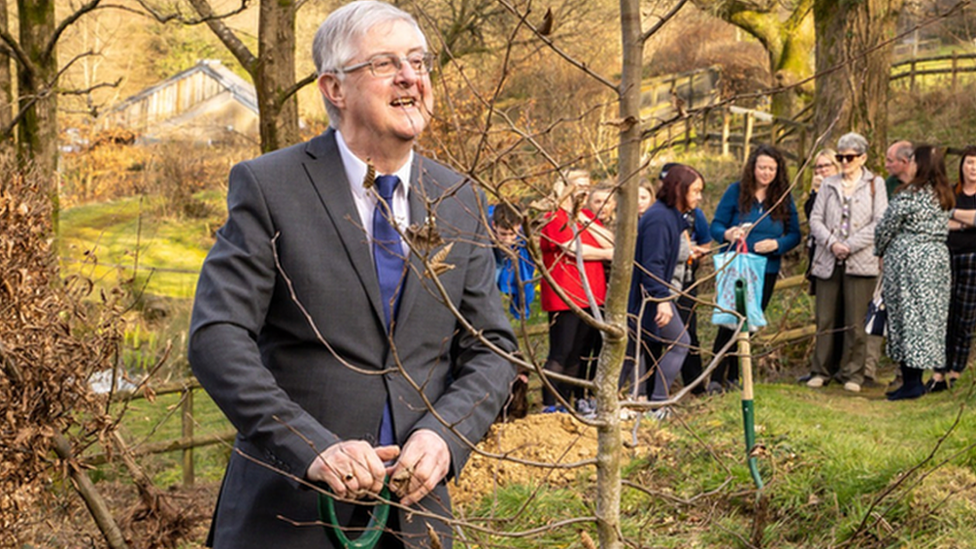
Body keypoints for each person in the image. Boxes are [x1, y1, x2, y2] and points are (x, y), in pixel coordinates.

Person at [187, 3, 518, 547]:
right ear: (334, 88)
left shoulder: (459, 199)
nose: (411, 76)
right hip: (290, 515)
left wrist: (445, 436)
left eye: (419, 61)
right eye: (386, 64)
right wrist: (310, 445)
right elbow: (216, 339)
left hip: (417, 521)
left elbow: (492, 347)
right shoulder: (270, 187)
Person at [708, 144, 802, 393]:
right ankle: (716, 378)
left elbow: (795, 234)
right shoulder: (736, 191)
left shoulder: (782, 196)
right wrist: (729, 233)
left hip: (766, 270)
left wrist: (777, 244)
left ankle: (736, 378)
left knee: (748, 325)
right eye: (762, 167)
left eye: (772, 168)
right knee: (729, 321)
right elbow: (715, 226)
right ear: (753, 167)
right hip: (735, 267)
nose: (767, 172)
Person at [805, 133, 888, 392]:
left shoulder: (876, 183)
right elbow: (815, 219)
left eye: (849, 157)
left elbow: (880, 222)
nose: (844, 162)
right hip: (828, 260)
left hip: (861, 260)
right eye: (840, 157)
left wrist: (850, 245)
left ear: (862, 158)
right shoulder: (828, 184)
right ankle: (821, 370)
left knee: (856, 321)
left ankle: (853, 373)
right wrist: (832, 243)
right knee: (826, 318)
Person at [625, 164, 705, 417]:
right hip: (648, 297)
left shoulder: (672, 216)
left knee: (635, 351)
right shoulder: (659, 218)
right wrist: (662, 299)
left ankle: (646, 403)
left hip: (656, 295)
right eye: (695, 191)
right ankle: (657, 404)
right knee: (680, 343)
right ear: (680, 189)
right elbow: (652, 264)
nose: (699, 197)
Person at [875, 145, 953, 401]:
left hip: (910, 264)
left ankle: (911, 383)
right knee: (928, 321)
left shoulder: (910, 194)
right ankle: (915, 380)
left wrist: (880, 250)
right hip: (937, 262)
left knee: (907, 319)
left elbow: (886, 226)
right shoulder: (943, 193)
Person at [538, 171, 614, 414]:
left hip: (592, 296)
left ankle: (565, 403)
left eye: (587, 186)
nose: (584, 190)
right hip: (565, 296)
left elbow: (611, 241)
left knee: (578, 354)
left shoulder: (587, 217)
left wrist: (582, 218)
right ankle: (550, 404)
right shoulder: (553, 218)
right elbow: (572, 248)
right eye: (578, 186)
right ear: (564, 187)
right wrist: (606, 255)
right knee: (561, 352)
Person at [936, 146, 976, 391]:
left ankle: (956, 370)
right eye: (970, 162)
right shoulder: (950, 192)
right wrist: (967, 221)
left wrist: (954, 217)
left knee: (965, 316)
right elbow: (938, 221)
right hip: (947, 255)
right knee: (943, 314)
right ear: (962, 165)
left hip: (973, 260)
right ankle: (938, 371)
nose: (974, 168)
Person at [491, 202, 536, 320]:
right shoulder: (482, 231)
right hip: (492, 256)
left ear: (519, 227)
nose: (508, 240)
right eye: (503, 234)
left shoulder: (523, 238)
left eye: (512, 234)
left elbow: (526, 272)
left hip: (507, 260)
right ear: (494, 225)